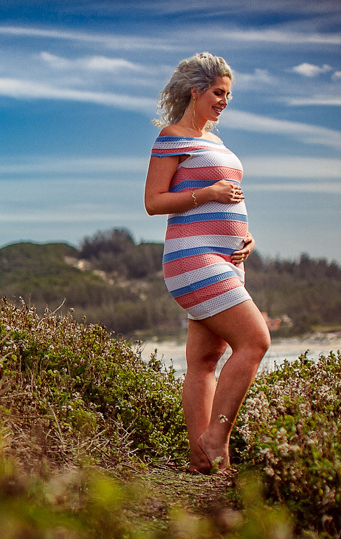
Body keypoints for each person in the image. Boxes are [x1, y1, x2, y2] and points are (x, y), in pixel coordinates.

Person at [144, 52, 270, 474]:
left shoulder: (215, 143)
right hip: (193, 260)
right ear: (195, 91)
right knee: (255, 341)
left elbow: (231, 195)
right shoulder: (171, 137)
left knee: (203, 361)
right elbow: (153, 202)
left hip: (228, 260)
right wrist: (210, 194)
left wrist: (245, 237)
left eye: (228, 95)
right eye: (218, 93)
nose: (224, 101)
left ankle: (205, 464)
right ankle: (216, 438)